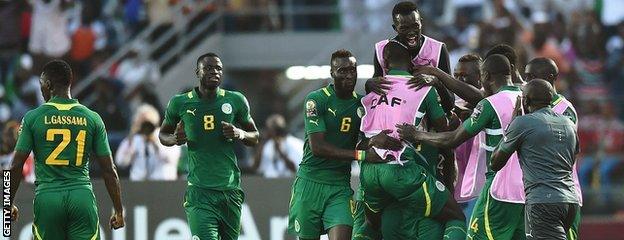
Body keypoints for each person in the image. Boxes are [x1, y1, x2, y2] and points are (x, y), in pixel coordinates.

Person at [397, 54, 526, 239]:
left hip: (499, 189)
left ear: (486, 76)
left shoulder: (490, 104)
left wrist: (416, 134)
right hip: (525, 189)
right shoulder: (526, 98)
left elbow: (453, 139)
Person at [357, 41, 466, 240]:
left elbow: (361, 136)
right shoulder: (422, 89)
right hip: (400, 169)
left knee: (372, 226)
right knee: (456, 216)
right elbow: (444, 129)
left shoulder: (372, 90)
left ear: (385, 61)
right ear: (410, 62)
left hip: (369, 171)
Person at [9, 60, 125, 239]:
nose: (41, 90)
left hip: (48, 198)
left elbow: (15, 166)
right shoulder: (92, 118)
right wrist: (118, 209)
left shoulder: (33, 118)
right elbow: (109, 170)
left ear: (48, 85)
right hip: (81, 196)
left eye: (41, 85)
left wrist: (8, 202)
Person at [159, 53, 260, 240]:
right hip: (200, 192)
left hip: (230, 191)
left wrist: (239, 133)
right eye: (209, 68)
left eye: (218, 68)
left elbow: (254, 136)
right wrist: (174, 139)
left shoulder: (235, 100)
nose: (214, 72)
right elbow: (163, 134)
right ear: (198, 72)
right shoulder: (180, 103)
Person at [287, 49, 386, 240]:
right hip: (309, 183)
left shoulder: (362, 105)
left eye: (353, 70)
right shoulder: (316, 100)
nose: (349, 75)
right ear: (332, 73)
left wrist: (373, 141)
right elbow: (318, 148)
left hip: (339, 186)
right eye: (342, 71)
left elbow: (362, 142)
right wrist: (361, 155)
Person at [490, 79, 580, 240]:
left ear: (525, 100)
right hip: (570, 202)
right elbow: (572, 159)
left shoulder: (522, 123)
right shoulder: (569, 124)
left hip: (543, 202)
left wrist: (512, 126)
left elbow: (495, 163)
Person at [524, 57, 582, 239]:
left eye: (532, 76)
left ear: (550, 77)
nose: (527, 81)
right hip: (538, 192)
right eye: (526, 76)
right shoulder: (528, 103)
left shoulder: (565, 111)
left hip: (561, 192)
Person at [366, 1, 455, 113]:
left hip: (430, 118)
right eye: (404, 28)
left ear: (421, 23)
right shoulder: (383, 49)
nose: (411, 32)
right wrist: (368, 84)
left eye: (415, 26)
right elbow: (375, 93)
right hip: (394, 117)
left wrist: (435, 81)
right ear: (395, 28)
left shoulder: (438, 49)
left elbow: (450, 103)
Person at [115, 104, 181, 181]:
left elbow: (171, 159)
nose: (146, 127)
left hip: (163, 184)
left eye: (148, 122)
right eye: (143, 123)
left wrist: (155, 142)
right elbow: (120, 162)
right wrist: (131, 138)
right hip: (139, 185)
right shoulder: (134, 139)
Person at [254, 114, 304, 178]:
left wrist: (281, 152)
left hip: (288, 183)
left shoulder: (296, 144)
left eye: (277, 129)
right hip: (269, 184)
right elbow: (255, 167)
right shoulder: (267, 145)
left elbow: (295, 169)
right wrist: (263, 142)